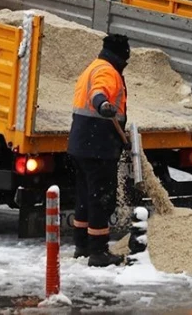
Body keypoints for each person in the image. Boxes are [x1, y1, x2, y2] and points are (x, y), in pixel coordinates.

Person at [67, 34, 130, 267]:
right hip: (98, 146)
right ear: (121, 55)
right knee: (101, 199)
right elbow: (98, 93)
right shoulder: (107, 71)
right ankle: (98, 251)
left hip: (81, 144)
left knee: (85, 197)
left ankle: (81, 245)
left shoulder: (92, 67)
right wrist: (102, 104)